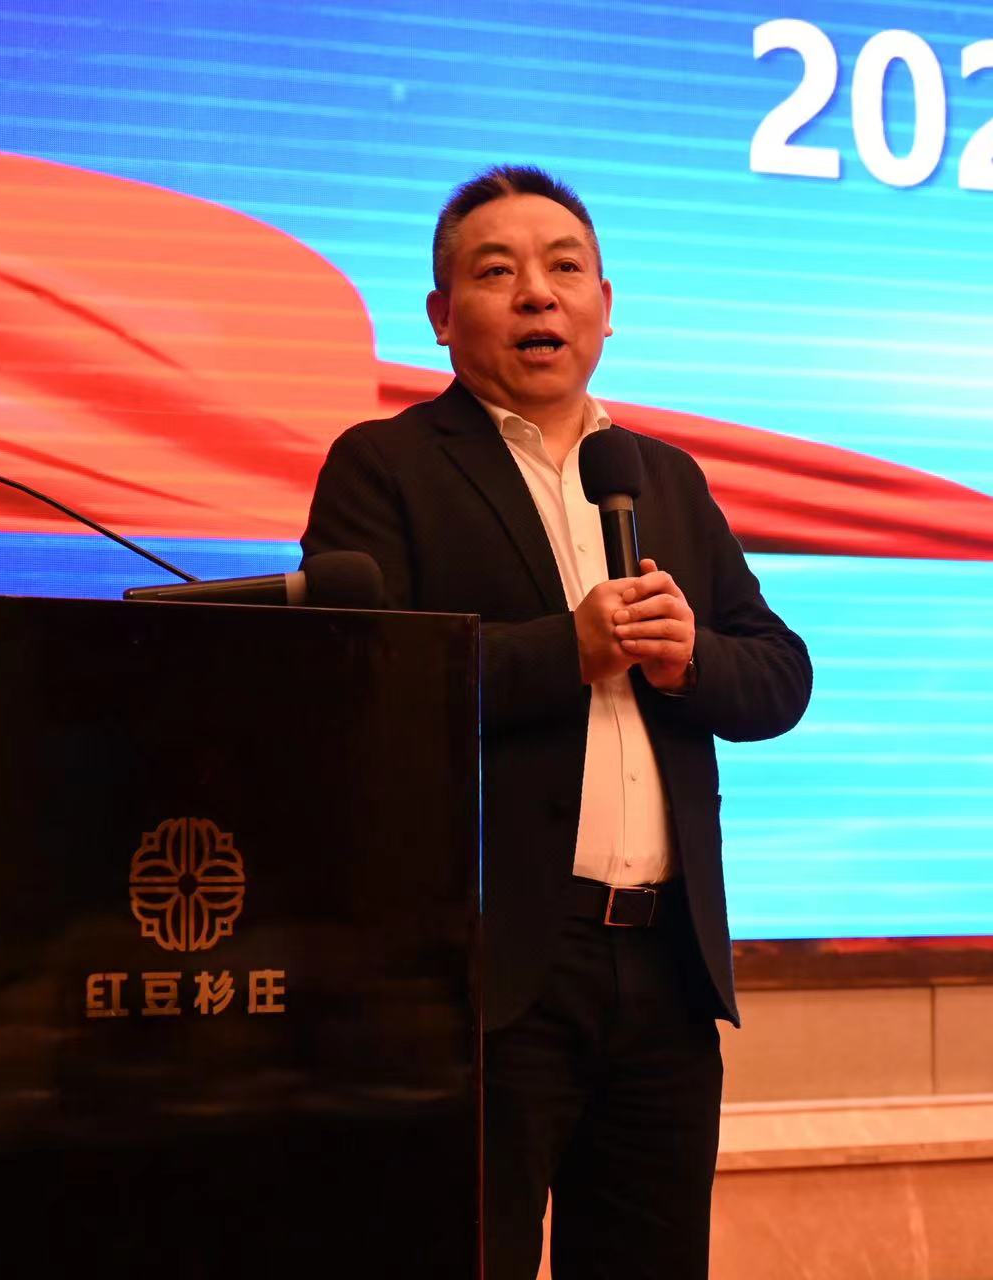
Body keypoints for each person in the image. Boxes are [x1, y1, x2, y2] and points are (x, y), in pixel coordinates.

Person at [300, 165, 811, 1279]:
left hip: (665, 969)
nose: (538, 293)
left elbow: (780, 675)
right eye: (498, 272)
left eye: (564, 268)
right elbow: (355, 689)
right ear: (442, 316)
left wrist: (691, 659)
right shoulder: (387, 467)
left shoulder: (662, 477)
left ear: (605, 304)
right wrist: (561, 651)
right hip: (485, 977)